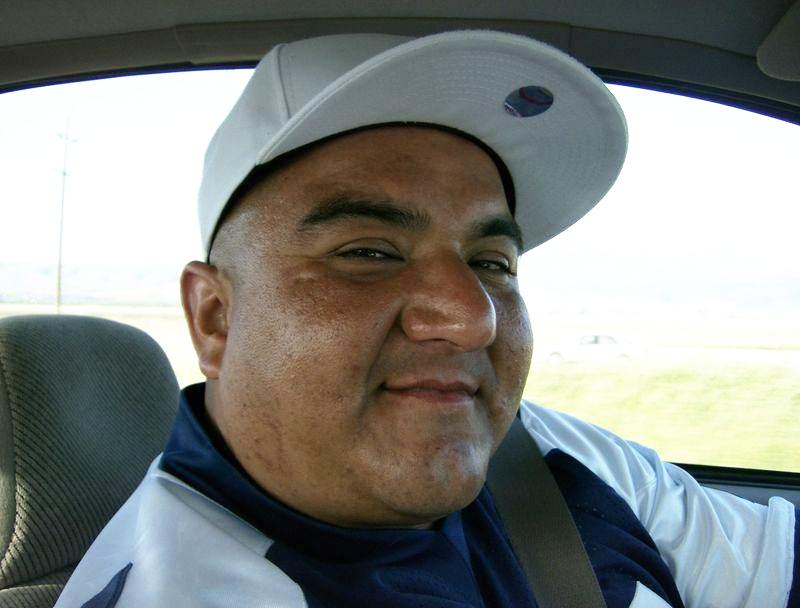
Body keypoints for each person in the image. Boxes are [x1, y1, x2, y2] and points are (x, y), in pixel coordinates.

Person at [55, 31, 798, 608]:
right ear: (216, 318)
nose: (473, 318)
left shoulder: (547, 457)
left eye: (492, 262)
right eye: (370, 252)